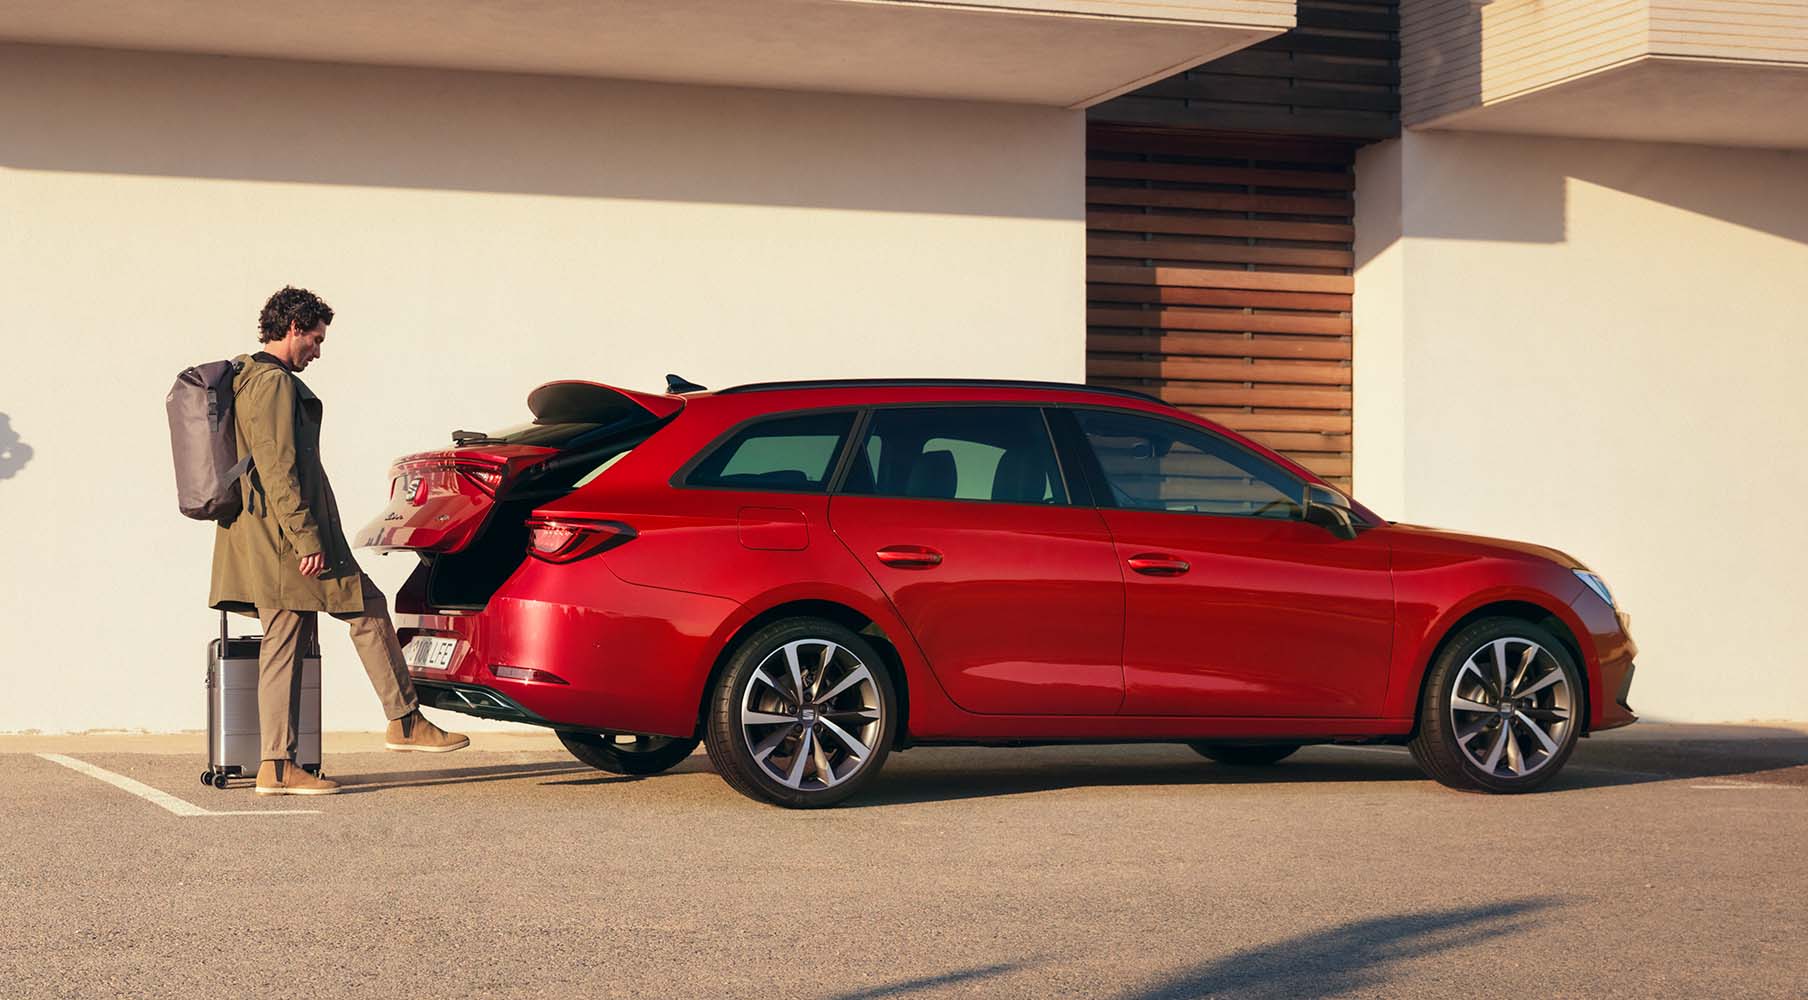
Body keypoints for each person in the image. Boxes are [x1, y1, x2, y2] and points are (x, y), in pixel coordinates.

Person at [210, 286, 467, 795]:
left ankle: (279, 766)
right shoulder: (272, 384)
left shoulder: (249, 380)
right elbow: (279, 470)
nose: (319, 351)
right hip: (289, 542)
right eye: (315, 339)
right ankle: (400, 722)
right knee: (360, 611)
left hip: (268, 538)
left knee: (290, 640)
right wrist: (307, 539)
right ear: (292, 329)